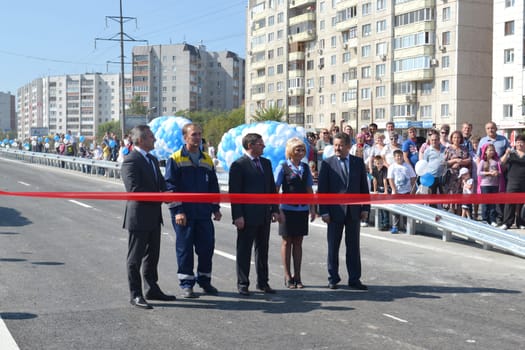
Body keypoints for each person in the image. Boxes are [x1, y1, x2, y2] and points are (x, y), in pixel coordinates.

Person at [121, 125, 176, 310]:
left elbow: (160, 183)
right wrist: (161, 195)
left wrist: (169, 193)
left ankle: (152, 288)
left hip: (154, 216)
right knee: (135, 258)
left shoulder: (152, 159)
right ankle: (135, 294)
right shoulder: (131, 161)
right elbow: (134, 190)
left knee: (152, 256)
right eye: (151, 137)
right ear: (141, 140)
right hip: (139, 216)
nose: (155, 140)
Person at [164, 123, 222, 298]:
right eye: (193, 135)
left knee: (206, 248)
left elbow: (213, 186)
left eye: (199, 134)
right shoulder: (175, 159)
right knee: (185, 249)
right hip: (185, 214)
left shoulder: (207, 159)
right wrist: (179, 210)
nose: (197, 137)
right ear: (185, 138)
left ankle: (205, 281)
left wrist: (216, 208)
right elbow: (170, 186)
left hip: (203, 212)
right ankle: (187, 284)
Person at [229, 133, 281, 296]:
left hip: (264, 213)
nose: (263, 146)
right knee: (244, 250)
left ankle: (263, 282)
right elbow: (234, 193)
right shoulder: (239, 165)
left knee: (262, 249)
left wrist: (275, 209)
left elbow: (271, 188)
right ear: (250, 145)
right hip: (247, 215)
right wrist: (237, 215)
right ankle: (243, 283)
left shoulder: (265, 163)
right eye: (260, 144)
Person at [318, 132, 370, 291]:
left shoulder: (357, 162)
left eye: (340, 145)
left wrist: (365, 208)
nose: (337, 148)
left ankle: (354, 279)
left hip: (354, 212)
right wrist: (324, 211)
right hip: (334, 213)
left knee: (353, 247)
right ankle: (333, 278)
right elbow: (322, 190)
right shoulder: (327, 164)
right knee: (333, 247)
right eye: (335, 145)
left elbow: (363, 188)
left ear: (348, 146)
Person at [274, 138, 316, 289]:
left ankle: (297, 276)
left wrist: (312, 208)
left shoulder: (305, 167)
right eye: (297, 149)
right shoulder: (283, 167)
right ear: (291, 151)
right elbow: (275, 189)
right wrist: (277, 210)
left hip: (302, 210)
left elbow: (309, 190)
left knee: (298, 242)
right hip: (286, 210)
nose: (300, 152)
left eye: (302, 149)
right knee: (287, 242)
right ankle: (287, 276)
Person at [499, 134, 525, 230]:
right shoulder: (511, 153)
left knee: (522, 203)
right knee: (510, 202)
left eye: (522, 142)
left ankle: (521, 222)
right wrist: (506, 153)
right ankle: (507, 223)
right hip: (512, 180)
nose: (519, 144)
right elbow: (501, 162)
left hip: (524, 181)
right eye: (518, 142)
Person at [388, 149, 417, 233]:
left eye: (400, 156)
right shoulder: (392, 167)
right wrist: (394, 190)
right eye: (397, 156)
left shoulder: (407, 166)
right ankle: (395, 226)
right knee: (396, 211)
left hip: (406, 191)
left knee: (405, 210)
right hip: (396, 192)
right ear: (394, 157)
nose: (399, 157)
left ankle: (406, 226)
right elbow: (391, 179)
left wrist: (412, 189)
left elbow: (413, 177)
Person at [443, 131, 471, 214]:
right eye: (454, 137)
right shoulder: (448, 149)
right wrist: (454, 160)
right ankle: (451, 212)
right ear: (451, 138)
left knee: (461, 194)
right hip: (451, 176)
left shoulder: (464, 148)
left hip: (462, 177)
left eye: (458, 137)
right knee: (451, 194)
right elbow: (445, 163)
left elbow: (469, 160)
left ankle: (460, 214)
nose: (456, 139)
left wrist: (460, 162)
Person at [478, 143, 502, 226]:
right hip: (485, 185)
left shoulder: (496, 161)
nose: (491, 152)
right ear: (485, 152)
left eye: (493, 150)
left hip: (494, 185)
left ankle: (492, 220)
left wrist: (497, 173)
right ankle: (485, 219)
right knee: (485, 203)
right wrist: (489, 173)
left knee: (493, 203)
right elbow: (479, 173)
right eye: (490, 150)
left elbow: (499, 172)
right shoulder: (482, 161)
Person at [371, 155, 390, 230]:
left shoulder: (385, 169)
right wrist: (375, 190)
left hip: (385, 188)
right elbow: (374, 181)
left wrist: (385, 191)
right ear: (375, 163)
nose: (380, 165)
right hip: (379, 188)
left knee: (385, 208)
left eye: (381, 163)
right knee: (380, 207)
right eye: (378, 163)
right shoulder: (374, 169)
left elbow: (385, 180)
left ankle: (386, 224)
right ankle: (382, 223)